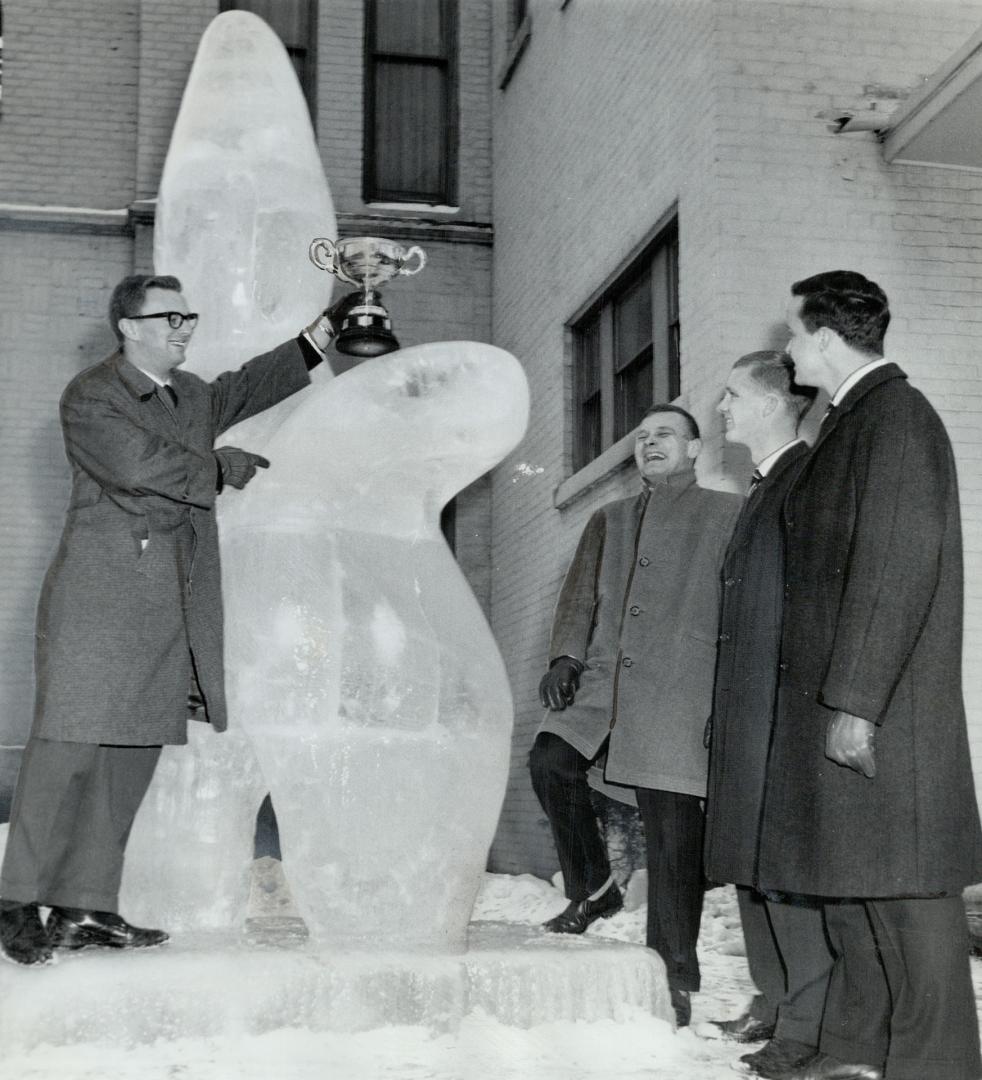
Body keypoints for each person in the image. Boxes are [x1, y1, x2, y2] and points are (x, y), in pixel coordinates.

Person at [0, 273, 359, 966]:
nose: (183, 328)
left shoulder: (190, 396)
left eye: (188, 317)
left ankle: (86, 905)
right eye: (168, 317)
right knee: (65, 751)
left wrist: (321, 335)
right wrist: (219, 465)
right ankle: (16, 903)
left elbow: (243, 388)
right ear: (128, 328)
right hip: (97, 602)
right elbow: (137, 465)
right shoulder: (93, 393)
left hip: (168, 601)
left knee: (130, 758)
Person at [758, 270, 982, 1080]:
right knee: (856, 887)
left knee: (909, 898)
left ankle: (941, 1066)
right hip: (861, 699)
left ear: (823, 338)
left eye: (793, 334)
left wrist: (856, 702)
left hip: (884, 708)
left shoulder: (894, 418)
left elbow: (894, 567)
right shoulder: (854, 421)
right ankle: (857, 1050)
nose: (786, 347)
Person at [530, 404, 742, 1026]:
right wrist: (566, 655)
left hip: (679, 691)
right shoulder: (609, 519)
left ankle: (673, 973)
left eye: (666, 435)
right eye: (643, 436)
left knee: (672, 828)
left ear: (696, 448)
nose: (651, 444)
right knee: (550, 760)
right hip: (603, 685)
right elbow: (578, 595)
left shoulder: (727, 515)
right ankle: (595, 889)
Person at [703, 351, 832, 1080]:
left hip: (783, 710)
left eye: (733, 395)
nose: (722, 408)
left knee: (785, 867)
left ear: (778, 402)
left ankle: (805, 1024)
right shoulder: (764, 484)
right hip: (748, 707)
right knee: (752, 864)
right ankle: (774, 1000)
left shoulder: (806, 479)